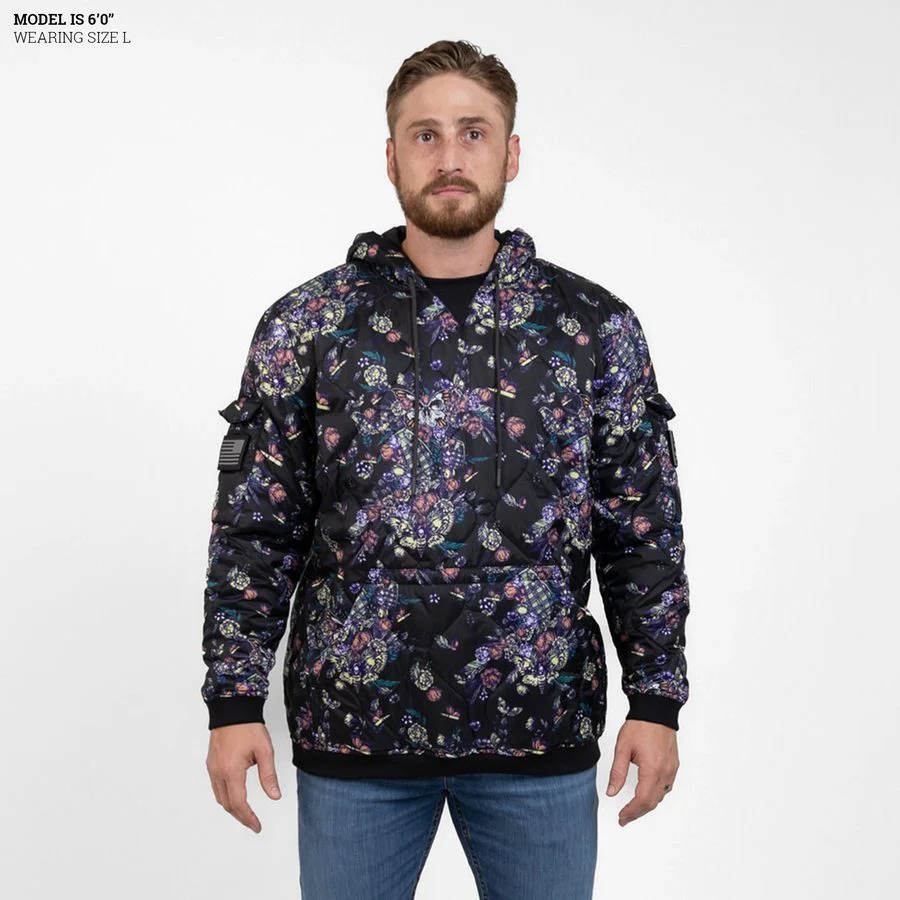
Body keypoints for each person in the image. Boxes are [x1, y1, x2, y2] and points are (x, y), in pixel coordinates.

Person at [201, 38, 690, 899]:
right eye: (425, 135)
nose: (450, 157)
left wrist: (656, 700)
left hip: (539, 728)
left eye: (473, 132)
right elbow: (255, 528)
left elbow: (641, 525)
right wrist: (234, 701)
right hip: (355, 734)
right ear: (392, 158)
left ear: (511, 153)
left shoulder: (591, 327)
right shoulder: (308, 325)